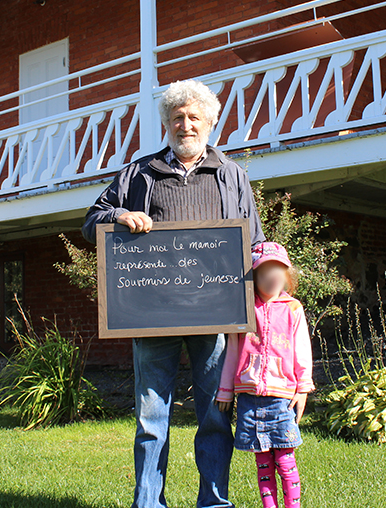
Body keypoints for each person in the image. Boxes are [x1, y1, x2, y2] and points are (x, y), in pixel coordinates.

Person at [82, 79, 265, 508]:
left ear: (210, 123)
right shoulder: (139, 173)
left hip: (215, 315)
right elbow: (92, 221)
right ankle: (148, 503)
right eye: (178, 117)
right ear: (166, 123)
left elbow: (254, 242)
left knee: (216, 415)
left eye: (194, 117)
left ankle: (214, 502)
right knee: (150, 419)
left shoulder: (231, 174)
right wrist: (122, 213)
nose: (186, 125)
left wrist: (269, 292)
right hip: (152, 315)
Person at [217, 241, 313, 508]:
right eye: (264, 273)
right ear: (253, 278)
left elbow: (302, 350)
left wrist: (302, 388)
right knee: (262, 462)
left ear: (286, 275)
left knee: (284, 459)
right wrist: (226, 389)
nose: (272, 279)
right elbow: (233, 350)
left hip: (282, 398)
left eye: (278, 272)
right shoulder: (245, 310)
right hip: (249, 399)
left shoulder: (293, 308)